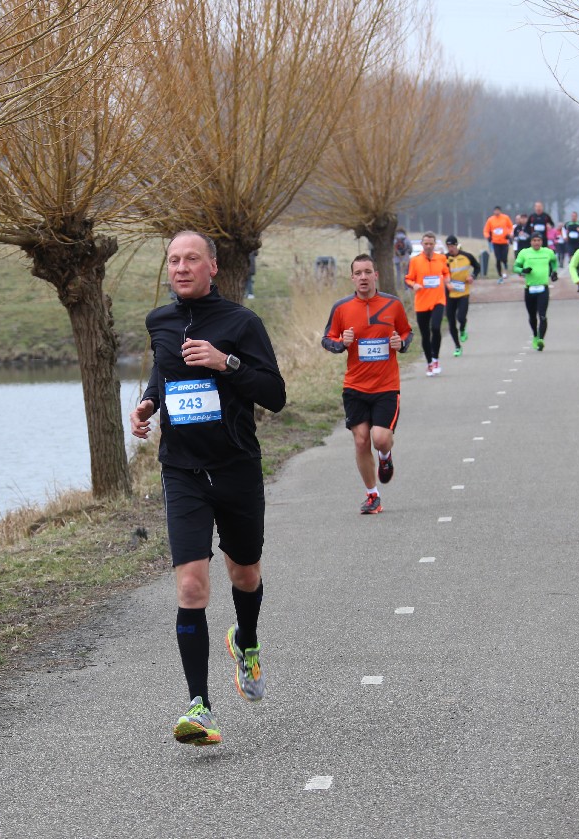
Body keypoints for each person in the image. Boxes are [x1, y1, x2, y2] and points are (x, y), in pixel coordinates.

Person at [129, 231, 287, 747]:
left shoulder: (242, 323)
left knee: (245, 573)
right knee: (192, 586)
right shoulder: (160, 321)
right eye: (173, 260)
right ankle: (199, 706)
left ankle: (246, 642)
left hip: (236, 467)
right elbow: (164, 372)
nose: (180, 267)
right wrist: (149, 403)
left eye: (191, 259)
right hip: (183, 471)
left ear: (212, 267)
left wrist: (226, 363)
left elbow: (275, 394)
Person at [321, 254, 412, 515]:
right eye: (358, 273)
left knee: (380, 439)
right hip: (355, 387)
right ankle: (372, 495)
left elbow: (407, 332)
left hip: (386, 386)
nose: (363, 277)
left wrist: (401, 343)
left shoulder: (392, 304)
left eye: (367, 272)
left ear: (376, 275)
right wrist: (342, 343)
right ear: (352, 278)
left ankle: (385, 456)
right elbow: (327, 339)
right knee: (361, 441)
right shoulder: (341, 307)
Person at [404, 231, 450, 376]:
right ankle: (429, 363)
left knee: (436, 328)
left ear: (434, 244)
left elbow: (446, 272)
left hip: (438, 300)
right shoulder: (415, 261)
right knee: (425, 333)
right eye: (426, 243)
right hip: (422, 302)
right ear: (422, 244)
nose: (428, 246)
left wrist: (447, 280)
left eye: (431, 243)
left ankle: (436, 359)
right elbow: (408, 279)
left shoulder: (441, 258)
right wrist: (414, 285)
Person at [513, 232, 558, 351]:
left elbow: (554, 261)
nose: (536, 243)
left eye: (538, 240)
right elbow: (515, 267)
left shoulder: (548, 252)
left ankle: (541, 339)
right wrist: (523, 270)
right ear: (531, 242)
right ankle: (535, 335)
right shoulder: (524, 253)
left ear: (542, 242)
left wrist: (554, 271)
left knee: (542, 315)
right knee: (532, 316)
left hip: (543, 288)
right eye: (534, 240)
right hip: (530, 289)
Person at [443, 235, 480, 356]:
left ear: (456, 245)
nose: (450, 249)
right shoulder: (444, 259)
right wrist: (446, 283)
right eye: (448, 246)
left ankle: (463, 328)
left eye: (452, 246)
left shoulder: (467, 256)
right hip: (450, 293)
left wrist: (472, 276)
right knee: (451, 321)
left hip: (463, 292)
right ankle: (457, 346)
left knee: (461, 317)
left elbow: (477, 267)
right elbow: (439, 273)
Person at [483, 206, 514, 279]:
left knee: (504, 258)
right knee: (498, 258)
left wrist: (509, 235)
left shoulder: (505, 218)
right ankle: (499, 273)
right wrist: (488, 237)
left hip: (504, 242)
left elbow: (510, 227)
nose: (497, 212)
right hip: (495, 242)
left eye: (498, 210)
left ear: (500, 211)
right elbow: (486, 230)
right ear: (493, 211)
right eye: (495, 211)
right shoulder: (490, 220)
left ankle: (505, 271)